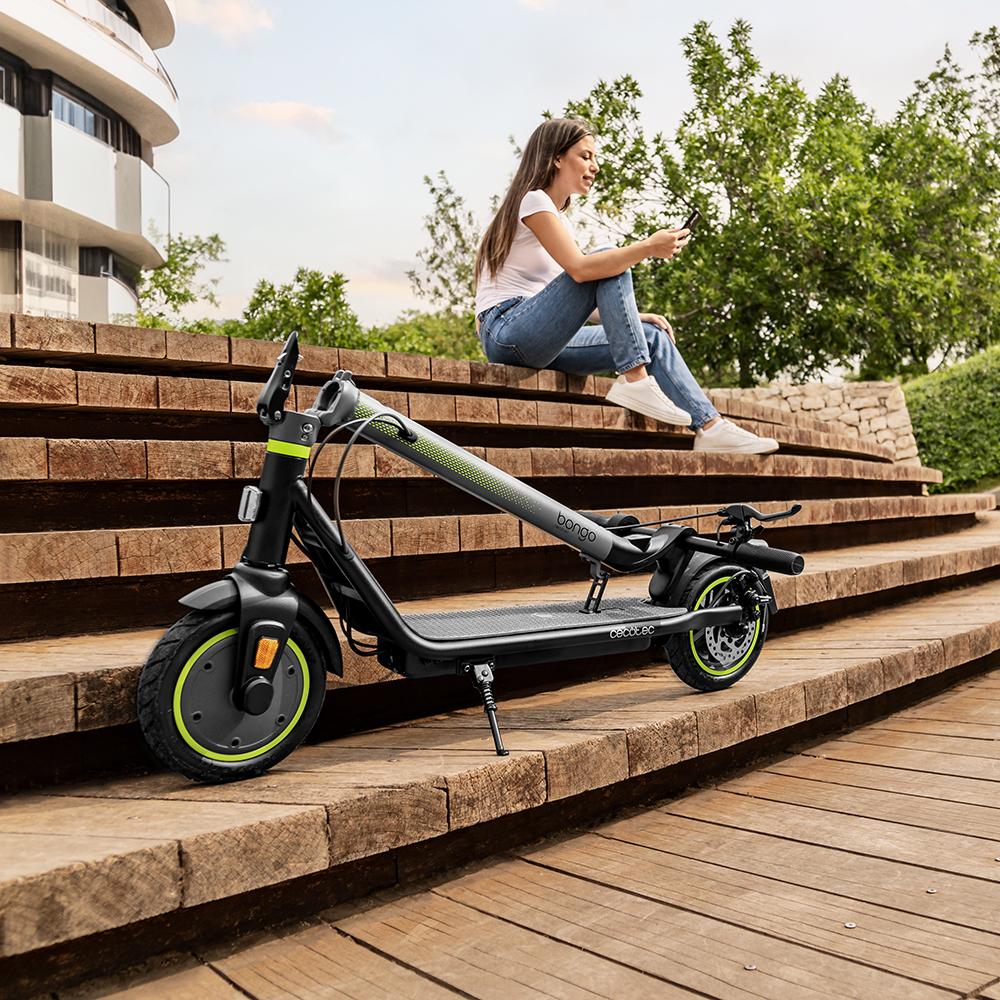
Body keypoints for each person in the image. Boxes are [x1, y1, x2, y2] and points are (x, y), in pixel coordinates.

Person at [473, 118, 778, 454]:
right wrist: (647, 247)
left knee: (652, 336)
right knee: (606, 258)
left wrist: (634, 318)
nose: (595, 166)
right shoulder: (534, 201)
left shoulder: (560, 220)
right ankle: (635, 380)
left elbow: (574, 301)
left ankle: (711, 427)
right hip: (506, 331)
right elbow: (581, 270)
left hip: (542, 337)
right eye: (585, 156)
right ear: (556, 158)